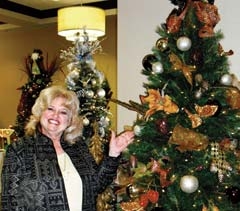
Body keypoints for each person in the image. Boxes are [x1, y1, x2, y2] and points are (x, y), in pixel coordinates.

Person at [1, 85, 134, 211]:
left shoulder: (77, 147)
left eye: (63, 112)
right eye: (50, 109)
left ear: (70, 120)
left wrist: (113, 154)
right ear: (40, 112)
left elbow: (96, 185)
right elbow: (10, 203)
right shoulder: (20, 149)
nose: (55, 116)